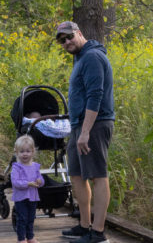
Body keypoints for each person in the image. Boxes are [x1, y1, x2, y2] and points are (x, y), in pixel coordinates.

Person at [56, 21, 115, 243]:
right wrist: (78, 130)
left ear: (79, 33)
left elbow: (95, 95)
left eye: (69, 37)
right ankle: (84, 225)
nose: (66, 42)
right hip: (80, 125)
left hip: (95, 124)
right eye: (62, 40)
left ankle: (98, 233)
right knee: (77, 175)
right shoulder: (80, 58)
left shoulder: (92, 57)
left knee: (98, 176)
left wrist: (85, 132)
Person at [11, 135, 44, 243]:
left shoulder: (35, 166)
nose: (25, 154)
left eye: (28, 151)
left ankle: (30, 237)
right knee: (22, 219)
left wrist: (39, 181)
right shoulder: (16, 167)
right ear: (17, 152)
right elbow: (16, 182)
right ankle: (21, 239)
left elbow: (41, 180)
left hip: (33, 197)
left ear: (33, 152)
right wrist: (28, 183)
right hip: (21, 198)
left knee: (31, 218)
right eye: (22, 151)